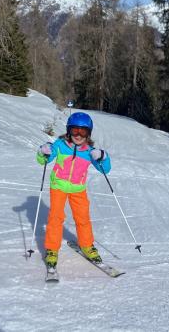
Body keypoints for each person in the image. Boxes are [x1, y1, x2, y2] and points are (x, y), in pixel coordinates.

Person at [36, 112, 111, 270]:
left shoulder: (90, 151)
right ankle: (52, 249)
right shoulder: (60, 145)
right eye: (75, 130)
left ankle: (87, 245)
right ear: (69, 130)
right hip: (58, 186)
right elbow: (44, 159)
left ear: (88, 133)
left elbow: (105, 169)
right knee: (56, 217)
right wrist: (43, 151)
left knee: (83, 217)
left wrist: (103, 157)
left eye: (82, 131)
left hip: (78, 189)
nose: (78, 135)